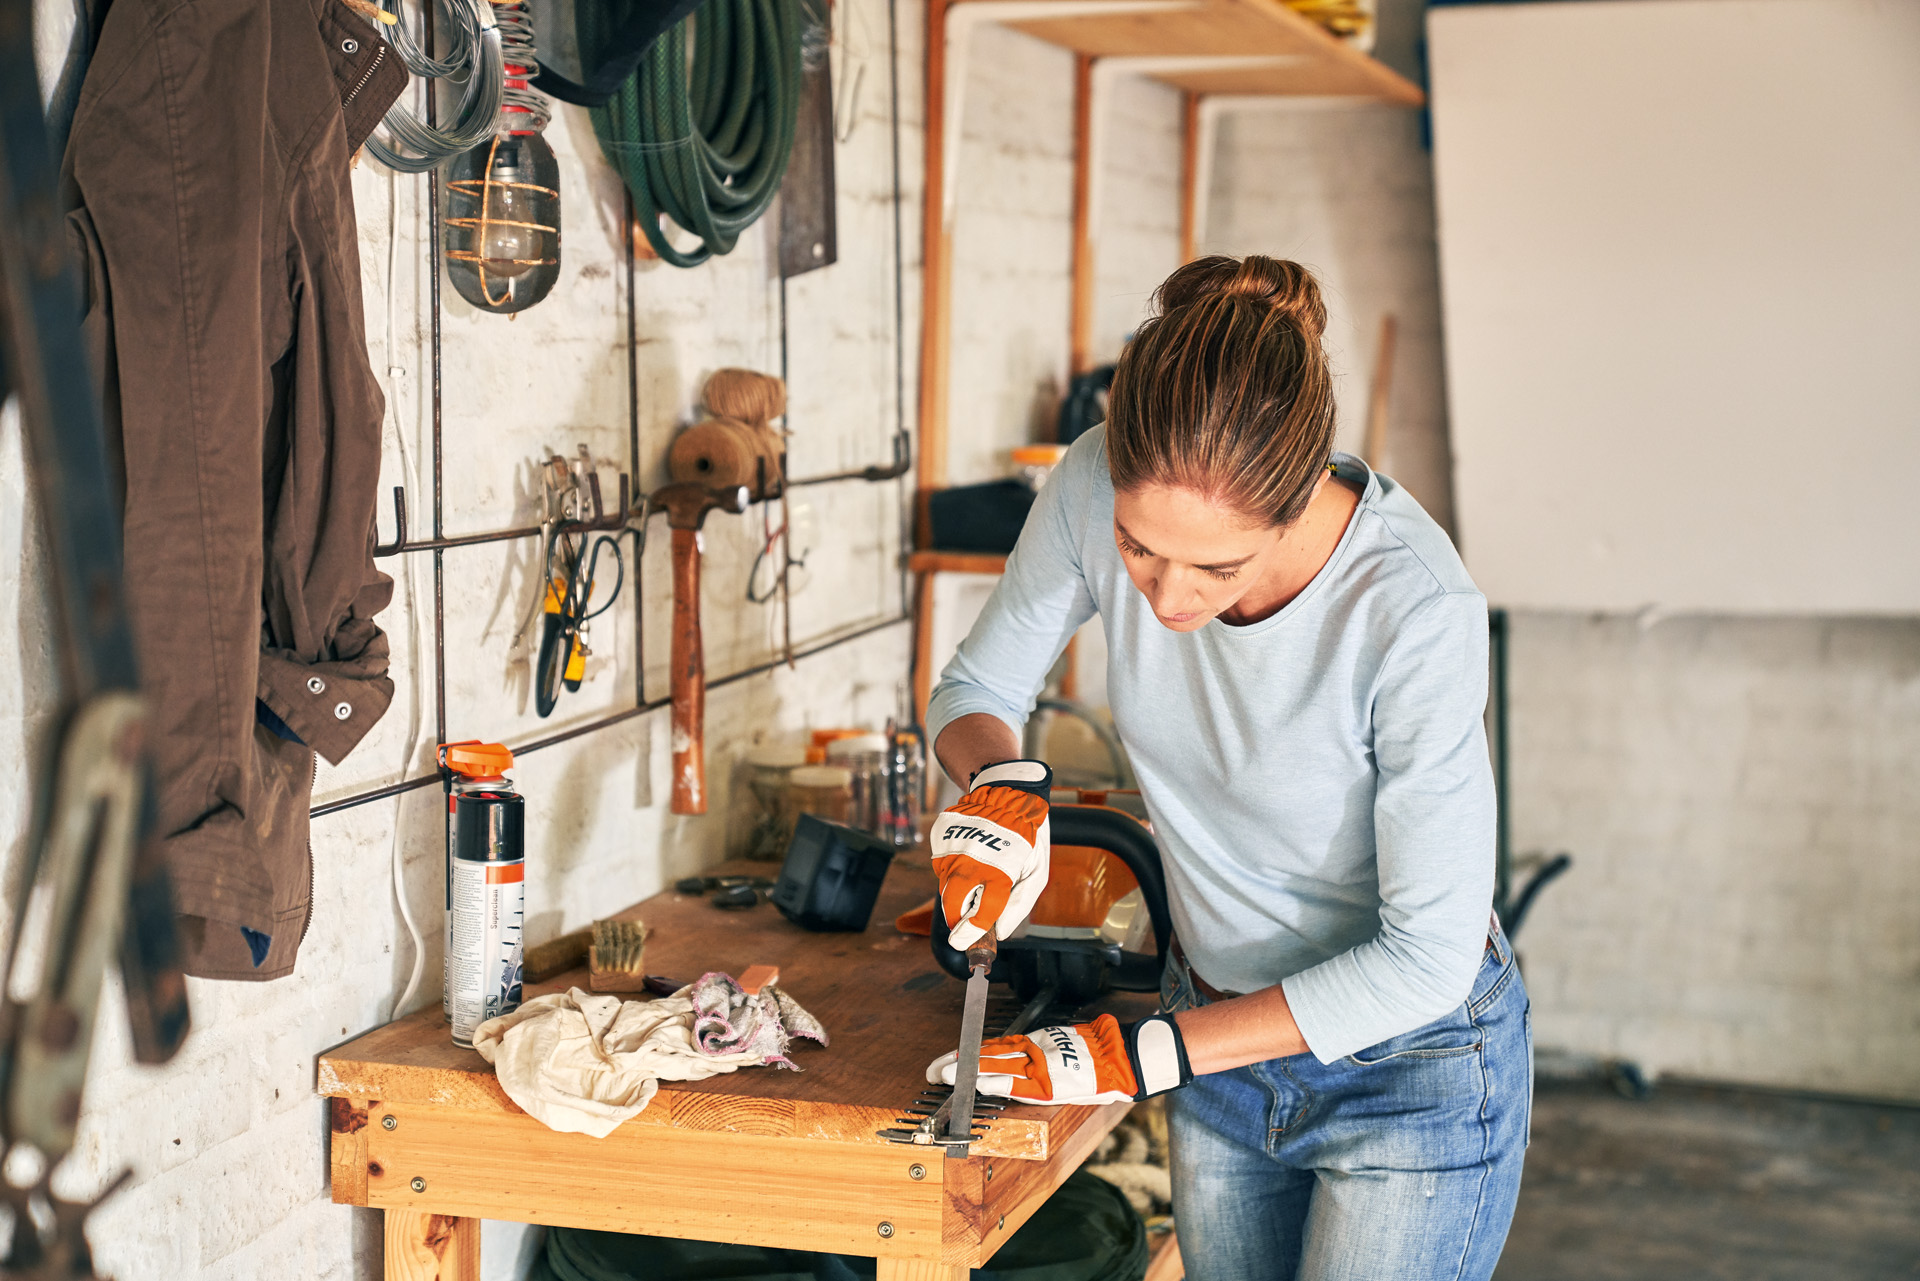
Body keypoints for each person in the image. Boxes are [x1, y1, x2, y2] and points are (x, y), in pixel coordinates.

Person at [922, 255, 1530, 1281]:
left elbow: (1425, 959)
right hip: (1214, 1039)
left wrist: (1143, 1055)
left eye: (1218, 567)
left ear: (1301, 505)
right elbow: (975, 690)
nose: (1165, 602)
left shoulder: (1414, 610)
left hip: (1407, 1070)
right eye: (1138, 549)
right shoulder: (1086, 479)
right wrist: (999, 791)